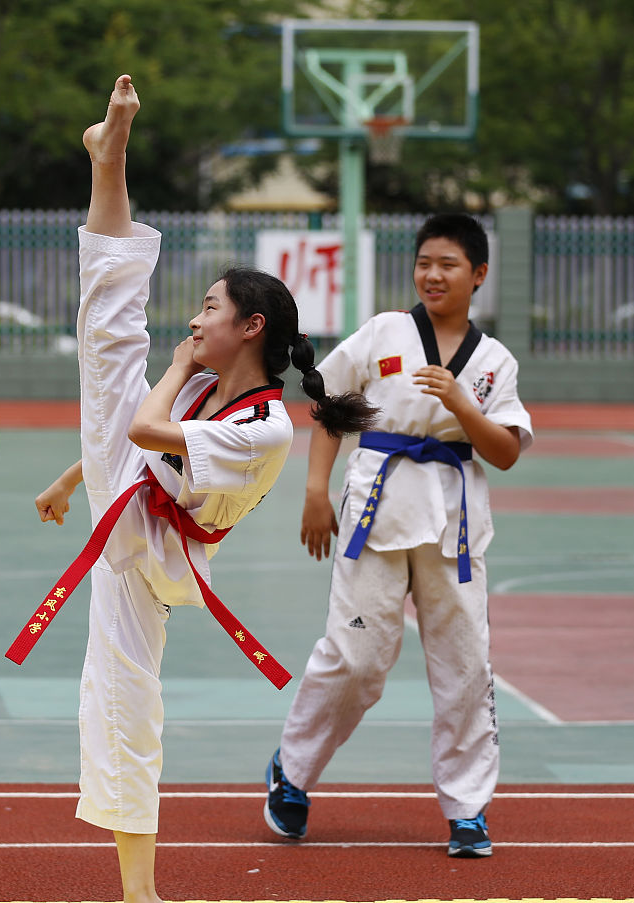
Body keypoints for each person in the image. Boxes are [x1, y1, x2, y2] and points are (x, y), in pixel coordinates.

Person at [18, 75, 376, 903]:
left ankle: (111, 162)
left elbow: (142, 435)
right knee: (108, 329)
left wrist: (174, 367)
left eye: (208, 309)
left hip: (159, 550)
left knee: (118, 345)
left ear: (251, 327)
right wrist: (74, 477)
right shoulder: (210, 390)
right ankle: (111, 159)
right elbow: (130, 444)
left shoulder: (266, 426)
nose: (195, 321)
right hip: (129, 512)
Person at [263, 213, 533, 858]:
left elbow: (505, 453)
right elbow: (330, 405)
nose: (433, 275)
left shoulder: (494, 361)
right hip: (375, 512)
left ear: (479, 275)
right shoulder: (386, 331)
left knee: (465, 667)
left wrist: (464, 404)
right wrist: (314, 491)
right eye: (424, 263)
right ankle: (293, 772)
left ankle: (468, 808)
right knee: (356, 660)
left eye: (448, 265)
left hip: (455, 525)